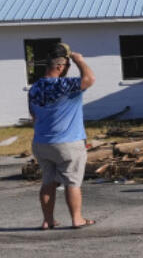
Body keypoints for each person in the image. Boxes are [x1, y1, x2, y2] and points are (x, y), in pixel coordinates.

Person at [28, 45, 96, 229]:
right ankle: (77, 219)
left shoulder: (34, 88)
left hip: (42, 143)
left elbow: (34, 116)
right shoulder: (66, 85)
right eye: (67, 66)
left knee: (48, 182)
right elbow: (89, 79)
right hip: (68, 142)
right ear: (59, 67)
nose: (67, 70)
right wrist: (79, 60)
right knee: (72, 182)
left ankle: (47, 220)